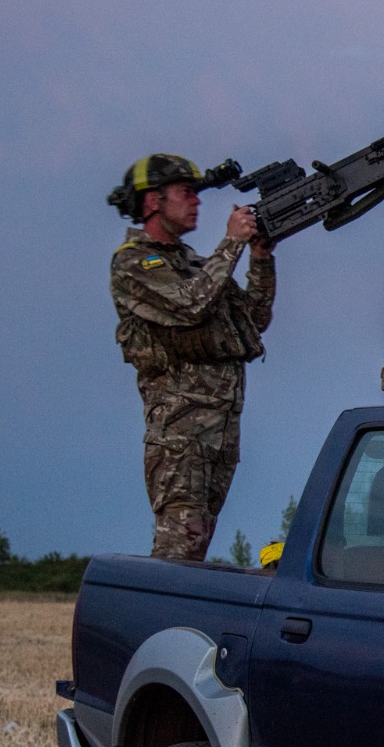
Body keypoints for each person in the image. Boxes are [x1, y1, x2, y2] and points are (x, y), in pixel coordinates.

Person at [107, 154, 276, 560]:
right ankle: (157, 622)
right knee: (179, 551)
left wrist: (260, 259)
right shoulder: (134, 263)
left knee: (196, 547)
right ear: (153, 202)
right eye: (185, 193)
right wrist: (233, 242)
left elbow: (254, 319)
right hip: (180, 435)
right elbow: (188, 306)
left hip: (220, 431)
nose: (196, 202)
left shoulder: (198, 264)